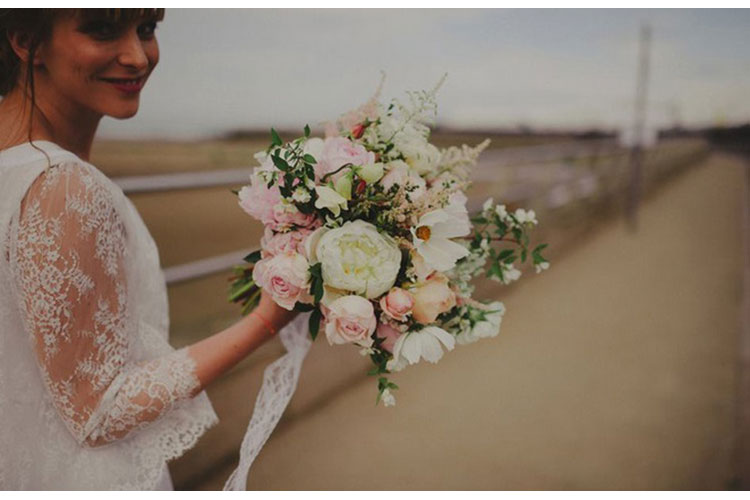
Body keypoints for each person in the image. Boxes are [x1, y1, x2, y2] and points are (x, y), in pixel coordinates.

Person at [0, 8, 296, 490]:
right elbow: (99, 411)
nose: (137, 57)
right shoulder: (62, 186)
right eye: (101, 28)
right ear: (24, 39)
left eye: (147, 29)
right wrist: (267, 320)